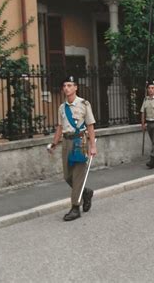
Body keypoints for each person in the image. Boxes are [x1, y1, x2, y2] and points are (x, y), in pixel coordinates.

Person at [49, 76, 97, 222]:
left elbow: (90, 125)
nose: (66, 88)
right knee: (67, 176)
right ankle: (86, 192)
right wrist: (54, 143)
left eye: (69, 85)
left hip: (79, 142)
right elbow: (60, 127)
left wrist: (92, 146)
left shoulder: (84, 104)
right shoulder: (62, 108)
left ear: (76, 87)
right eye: (64, 85)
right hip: (66, 143)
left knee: (77, 176)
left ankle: (75, 207)